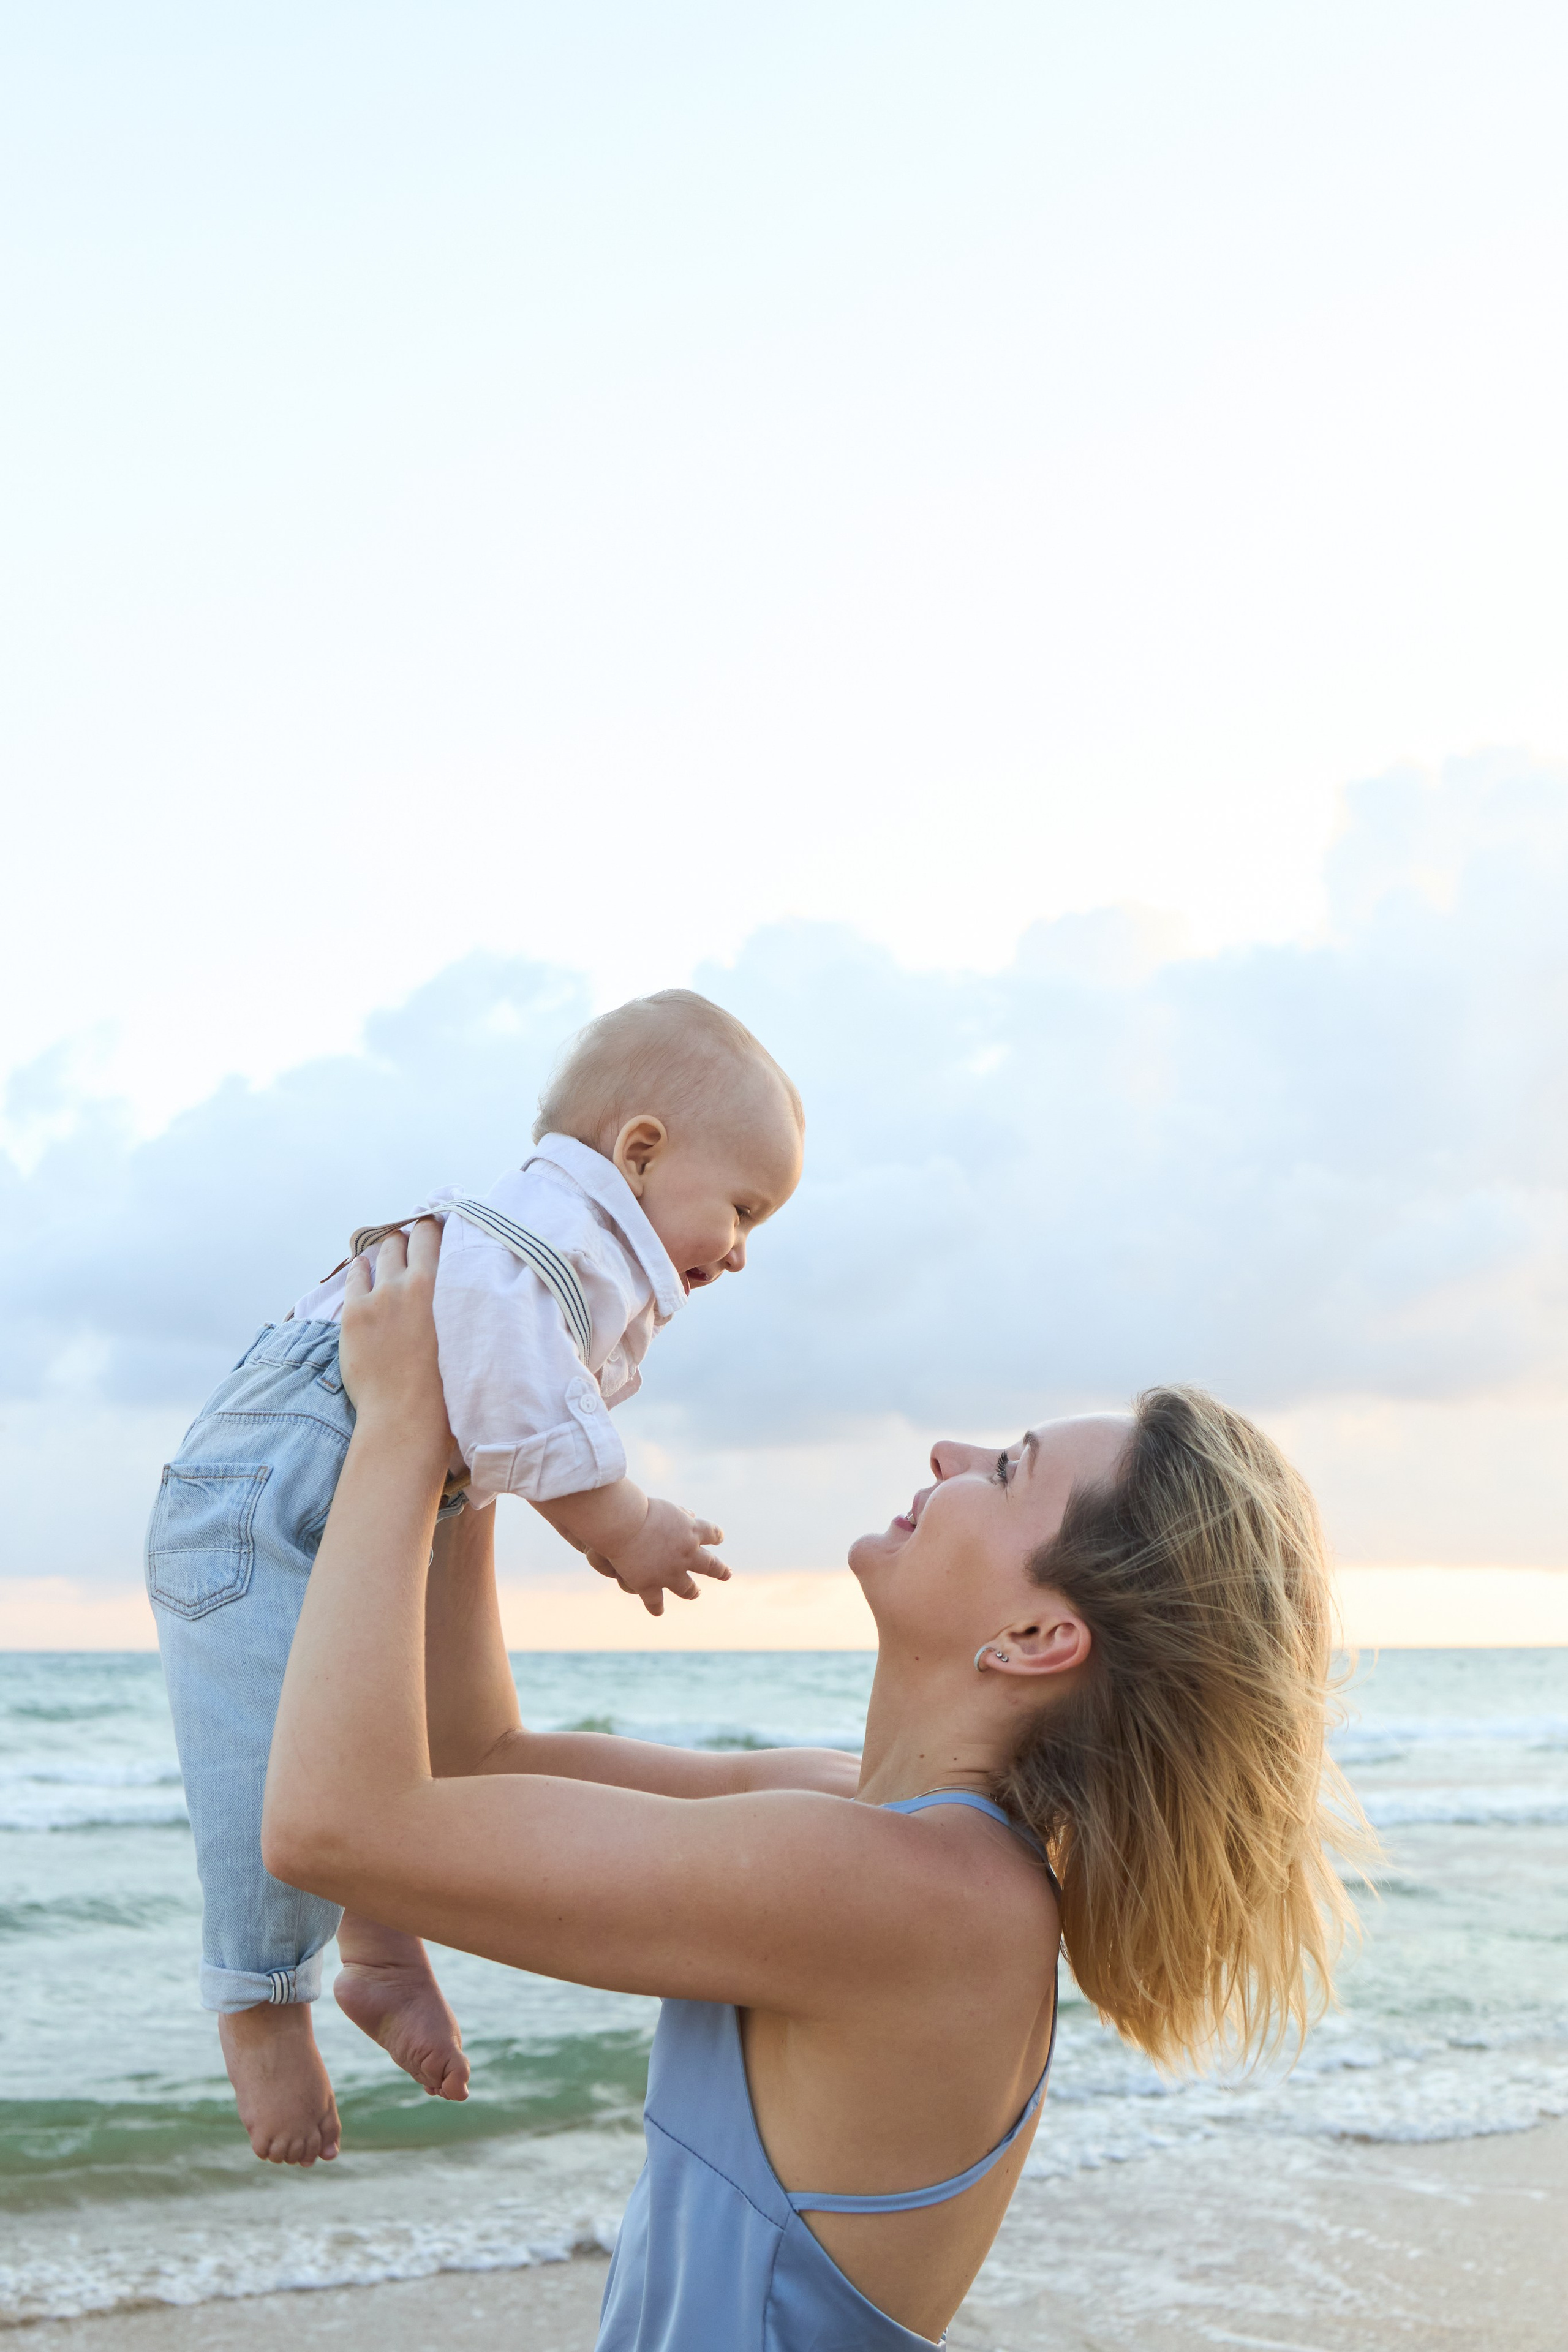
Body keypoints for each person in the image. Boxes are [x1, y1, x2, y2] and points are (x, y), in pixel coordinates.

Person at [262, 1224, 1372, 2351]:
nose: (947, 1452)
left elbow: (334, 1829)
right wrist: (475, 1428)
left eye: (1003, 1470)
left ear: (1036, 1635)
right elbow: (478, 1760)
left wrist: (398, 1427)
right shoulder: (862, 1823)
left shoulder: (917, 1897)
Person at [146, 991, 804, 2167]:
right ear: (639, 1152)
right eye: (743, 1208)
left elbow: (491, 1406)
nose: (743, 1249)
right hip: (258, 1492)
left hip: (363, 1479)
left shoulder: (572, 1240)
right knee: (263, 1760)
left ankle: (383, 1955)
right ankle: (259, 2006)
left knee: (379, 1748)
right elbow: (511, 1382)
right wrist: (620, 1522)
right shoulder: (544, 1234)